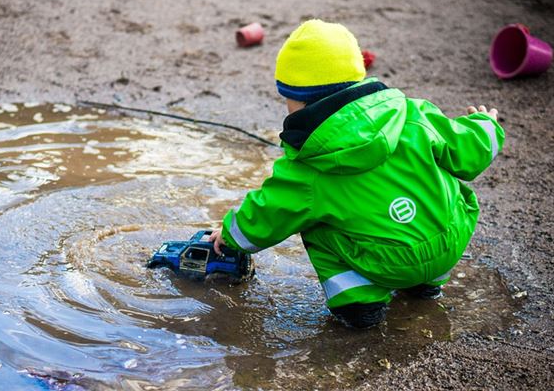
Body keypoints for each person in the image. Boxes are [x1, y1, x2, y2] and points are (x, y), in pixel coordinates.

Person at [209, 19, 504, 328]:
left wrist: (229, 236)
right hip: (448, 242)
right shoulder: (413, 113)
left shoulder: (307, 165)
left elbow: (268, 213)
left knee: (310, 220)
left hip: (386, 263)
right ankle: (425, 286)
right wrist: (487, 124)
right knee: (437, 187)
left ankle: (360, 304)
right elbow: (468, 149)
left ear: (296, 100)